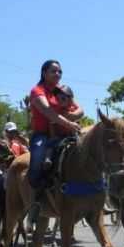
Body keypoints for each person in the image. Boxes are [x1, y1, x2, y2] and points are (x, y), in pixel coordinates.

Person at [27, 60, 82, 223]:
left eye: (60, 72)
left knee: (90, 153)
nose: (57, 74)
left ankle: (99, 195)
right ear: (44, 73)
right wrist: (69, 123)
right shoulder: (37, 91)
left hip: (65, 133)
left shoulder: (61, 90)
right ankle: (36, 201)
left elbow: (80, 110)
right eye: (53, 71)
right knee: (37, 159)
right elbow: (49, 113)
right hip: (43, 135)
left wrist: (71, 116)